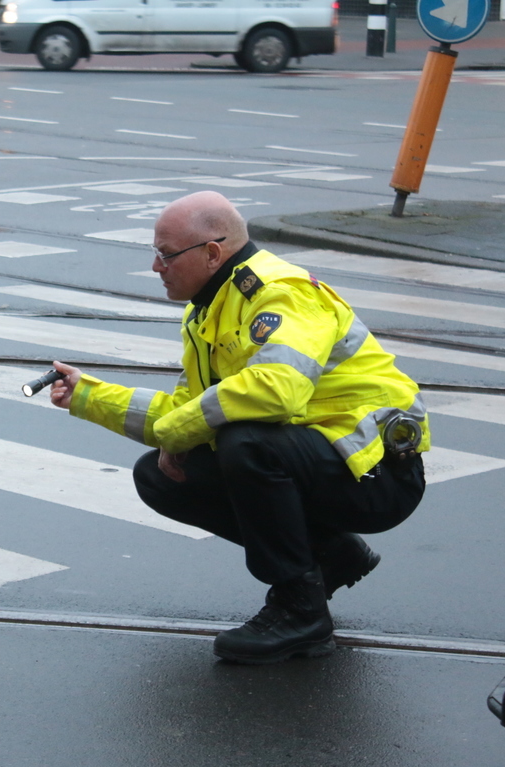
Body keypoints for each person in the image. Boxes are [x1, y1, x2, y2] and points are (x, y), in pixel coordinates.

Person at [49, 191, 429, 664]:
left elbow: (275, 390)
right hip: (321, 463)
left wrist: (178, 431)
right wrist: (87, 395)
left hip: (378, 476)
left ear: (212, 253)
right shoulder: (210, 307)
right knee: (159, 475)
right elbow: (189, 409)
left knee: (245, 441)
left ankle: (300, 611)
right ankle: (331, 555)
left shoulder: (281, 292)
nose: (155, 266)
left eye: (166, 254)